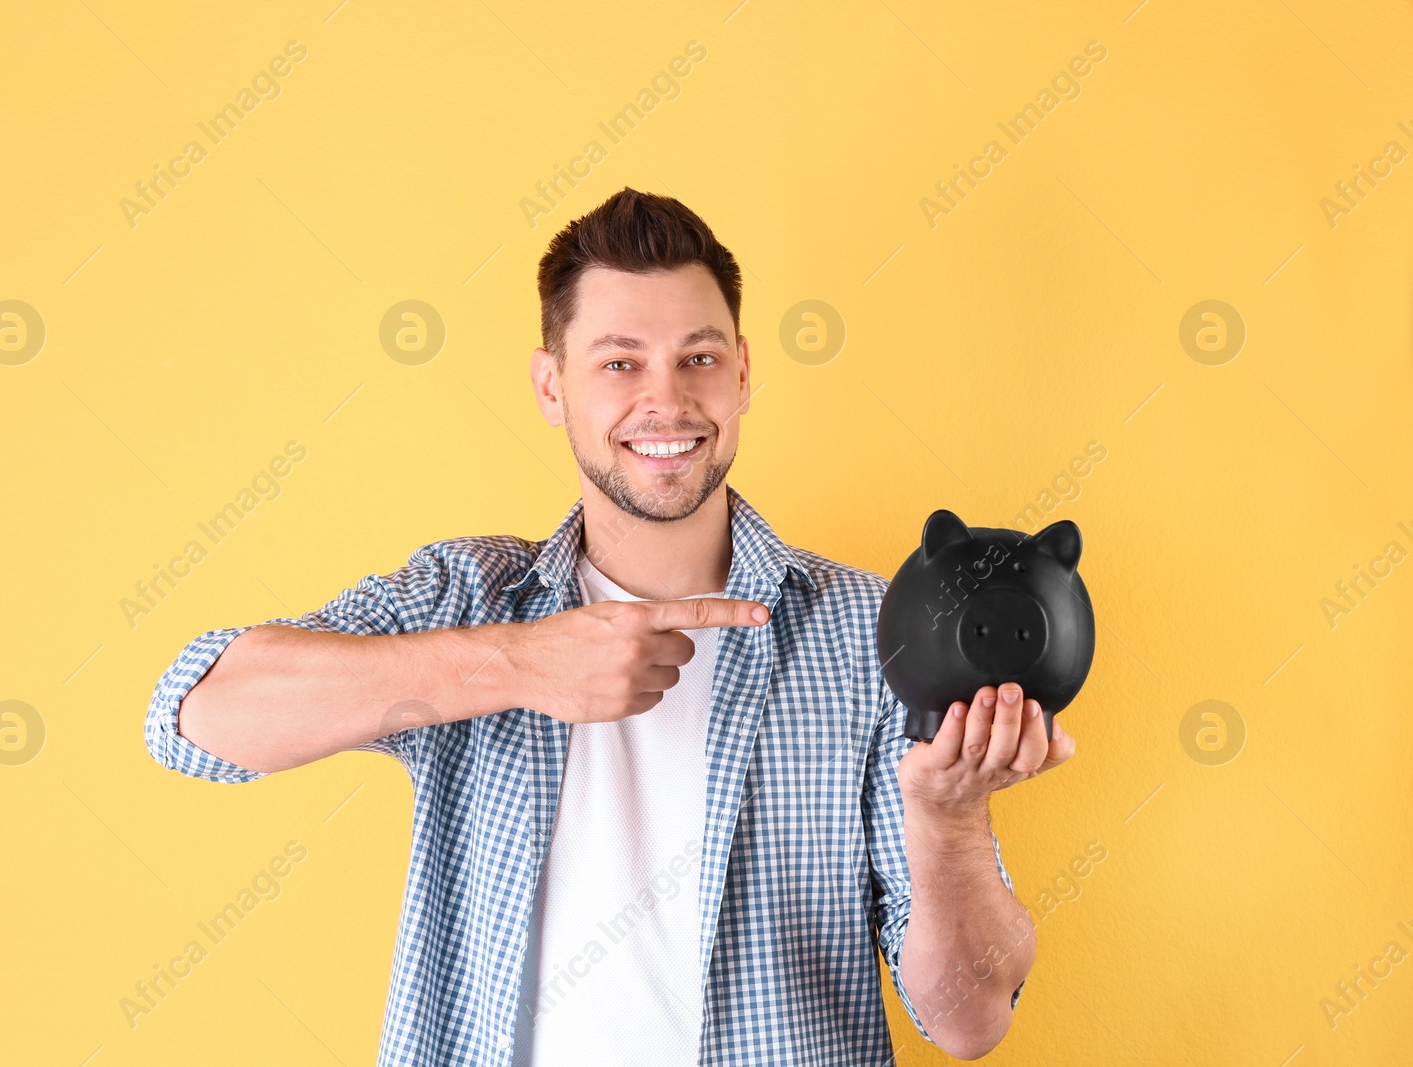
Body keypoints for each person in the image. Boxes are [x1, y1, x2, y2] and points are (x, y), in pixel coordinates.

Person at [144, 187, 1076, 1065]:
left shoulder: (877, 633)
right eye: (619, 362)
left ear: (743, 374)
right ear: (552, 387)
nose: (665, 400)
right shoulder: (467, 597)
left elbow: (969, 1020)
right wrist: (515, 663)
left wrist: (948, 821)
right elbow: (191, 717)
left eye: (698, 358)